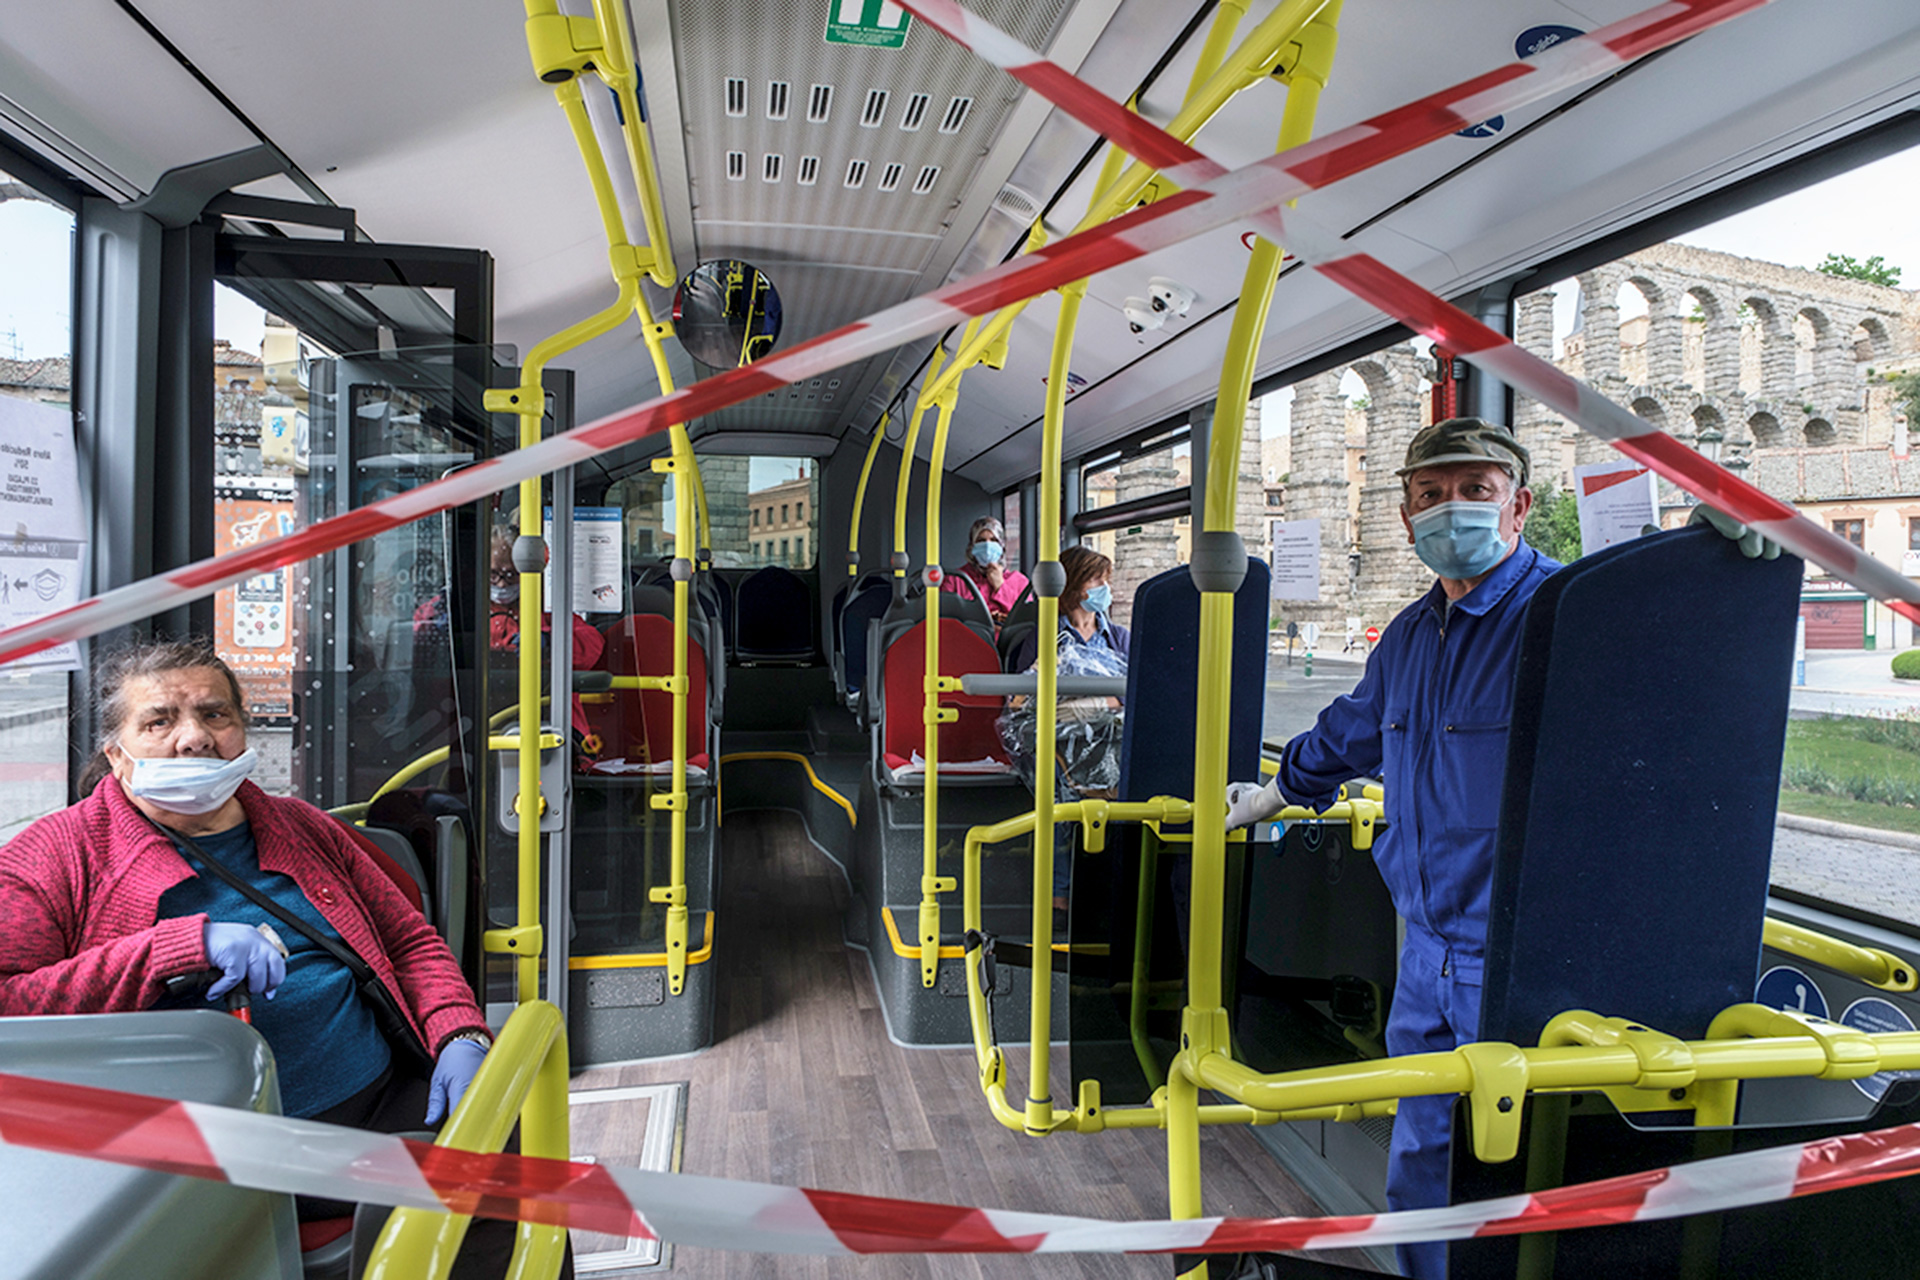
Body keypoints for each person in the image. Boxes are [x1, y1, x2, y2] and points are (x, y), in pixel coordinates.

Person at [0, 639, 545, 1276]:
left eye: (215, 714)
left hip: (378, 1097)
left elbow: (407, 941)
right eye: (159, 721)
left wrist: (459, 1032)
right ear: (116, 753)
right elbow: (11, 1003)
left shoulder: (301, 827)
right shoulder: (52, 857)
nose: (194, 738)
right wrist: (174, 949)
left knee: (514, 1158)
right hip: (201, 1152)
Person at [1224, 418, 1553, 1280]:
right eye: (1430, 495)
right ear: (1406, 518)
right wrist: (1275, 793)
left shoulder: (1561, 617)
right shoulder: (1409, 635)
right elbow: (1352, 734)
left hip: (1516, 957)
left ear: (1518, 506)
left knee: (1514, 1182)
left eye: (1476, 491)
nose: (1452, 509)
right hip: (1424, 948)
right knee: (1419, 1165)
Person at [942, 515, 1030, 624]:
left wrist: (1000, 586)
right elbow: (945, 619)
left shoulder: (1019, 582)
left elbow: (1025, 619)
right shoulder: (956, 579)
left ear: (1002, 546)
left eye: (993, 540)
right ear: (972, 546)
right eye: (981, 540)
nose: (988, 546)